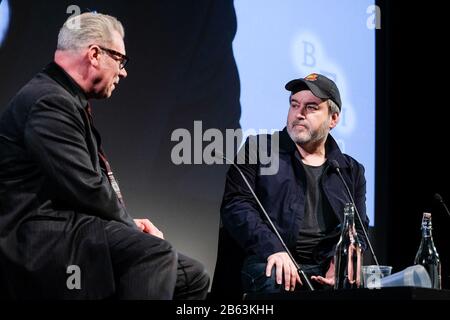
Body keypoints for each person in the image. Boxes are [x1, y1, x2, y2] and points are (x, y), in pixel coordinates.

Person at [0, 12, 209, 299]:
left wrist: (127, 224)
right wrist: (129, 226)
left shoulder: (62, 98)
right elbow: (86, 187)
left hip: (69, 228)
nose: (123, 72)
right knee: (153, 254)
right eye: (120, 60)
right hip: (37, 237)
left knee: (192, 276)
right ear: (95, 54)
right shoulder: (49, 101)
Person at [212, 73, 369, 296]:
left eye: (312, 107)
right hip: (269, 258)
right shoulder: (259, 149)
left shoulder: (350, 170)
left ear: (333, 119)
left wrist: (342, 262)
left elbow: (359, 229)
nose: (299, 114)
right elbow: (236, 206)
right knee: (276, 280)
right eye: (294, 105)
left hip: (324, 267)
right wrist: (274, 249)